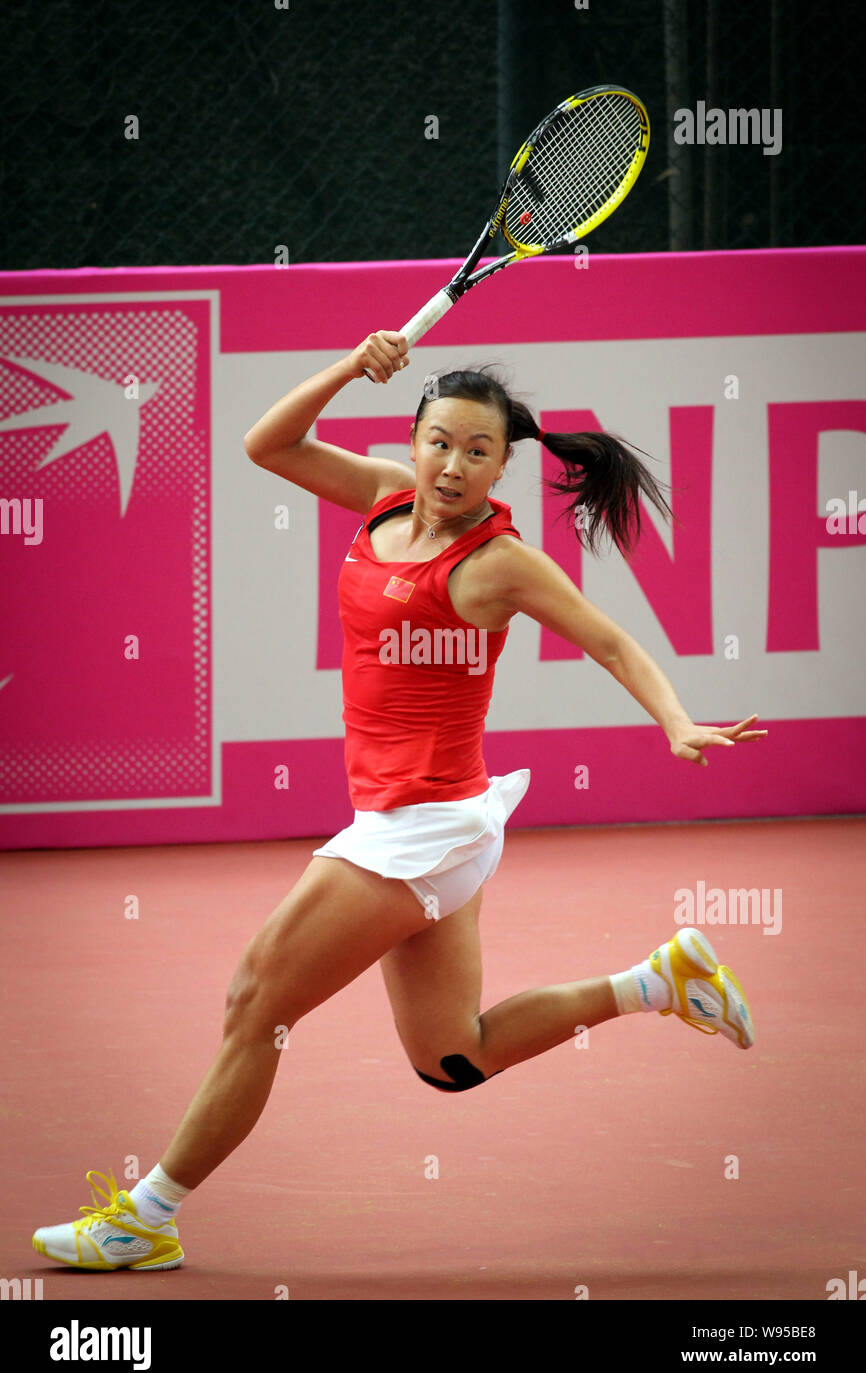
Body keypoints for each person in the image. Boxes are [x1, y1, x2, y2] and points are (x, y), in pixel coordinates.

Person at [32, 330, 766, 1271]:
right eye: (439, 441)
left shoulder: (497, 564)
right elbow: (268, 445)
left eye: (477, 451)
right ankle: (660, 982)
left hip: (426, 829)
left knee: (256, 1000)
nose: (452, 465)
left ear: (505, 465)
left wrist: (674, 721)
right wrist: (347, 365)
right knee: (452, 1057)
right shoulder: (382, 499)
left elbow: (615, 643)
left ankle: (146, 1216)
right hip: (412, 827)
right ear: (412, 439)